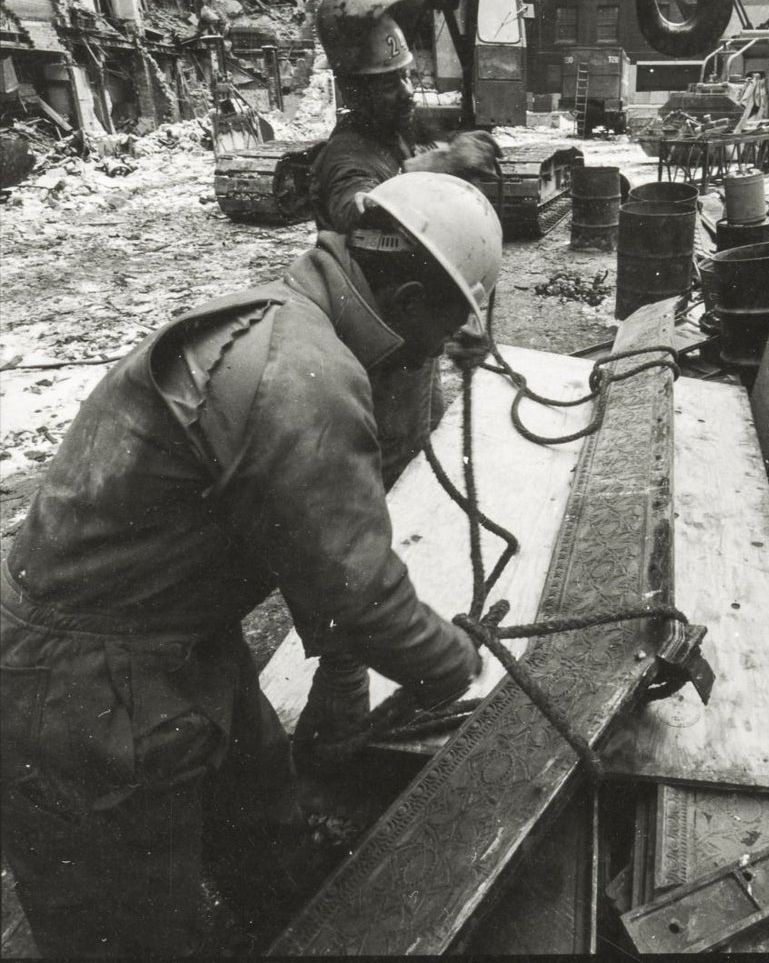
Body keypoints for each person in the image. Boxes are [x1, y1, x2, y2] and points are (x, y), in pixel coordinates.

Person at [0, 171, 504, 957]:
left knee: (265, 827)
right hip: (84, 678)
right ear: (404, 302)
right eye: (446, 326)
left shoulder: (293, 319)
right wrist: (455, 664)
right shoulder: (302, 375)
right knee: (126, 931)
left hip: (172, 632)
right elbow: (361, 598)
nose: (445, 348)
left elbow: (317, 535)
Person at [309, 0, 503, 488]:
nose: (406, 92)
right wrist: (438, 163)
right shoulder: (348, 157)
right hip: (380, 347)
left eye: (407, 77)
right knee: (396, 463)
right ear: (355, 93)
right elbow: (357, 211)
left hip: (412, 335)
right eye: (391, 83)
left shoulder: (391, 136)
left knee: (428, 433)